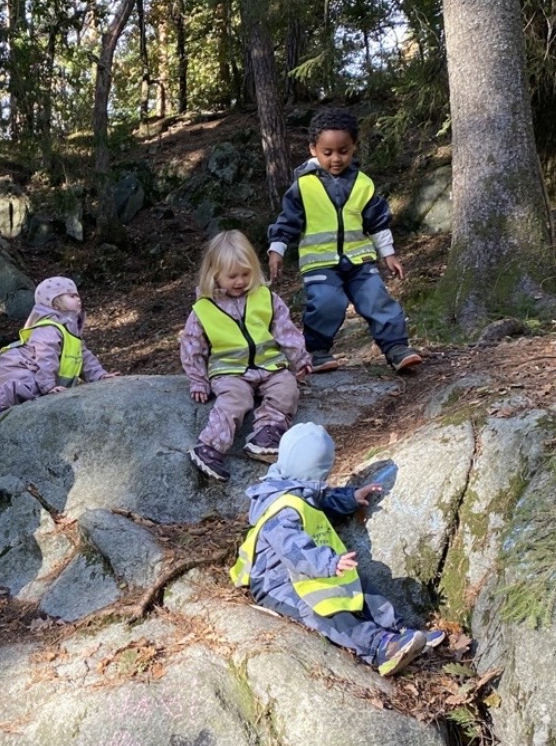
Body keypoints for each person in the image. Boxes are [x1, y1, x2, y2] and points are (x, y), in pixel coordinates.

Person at [231, 423, 444, 676]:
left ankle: (403, 633)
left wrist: (352, 498)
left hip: (311, 572)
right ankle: (380, 647)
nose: (324, 480)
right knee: (322, 611)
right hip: (275, 583)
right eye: (322, 473)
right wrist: (329, 563)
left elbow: (323, 499)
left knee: (360, 584)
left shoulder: (295, 486)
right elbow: (292, 549)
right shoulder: (282, 506)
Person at [267, 107, 422, 374]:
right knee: (327, 303)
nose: (336, 158)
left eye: (344, 151)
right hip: (320, 264)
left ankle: (396, 348)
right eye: (328, 152)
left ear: (354, 148)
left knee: (377, 299)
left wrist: (389, 253)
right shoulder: (302, 186)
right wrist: (276, 249)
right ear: (313, 149)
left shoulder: (363, 184)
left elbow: (377, 221)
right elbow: (287, 221)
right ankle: (315, 352)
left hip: (360, 261)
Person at [180, 230, 311, 483]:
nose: (239, 281)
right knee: (234, 401)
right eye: (232, 276)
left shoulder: (266, 298)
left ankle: (266, 434)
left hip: (270, 365)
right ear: (214, 274)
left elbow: (286, 330)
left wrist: (300, 359)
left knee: (287, 389)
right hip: (230, 371)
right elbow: (192, 345)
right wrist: (198, 379)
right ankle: (209, 447)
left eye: (245, 274)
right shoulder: (204, 309)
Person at [0, 276, 116, 430]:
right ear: (55, 303)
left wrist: (100, 376)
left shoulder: (71, 332)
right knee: (31, 386)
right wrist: (48, 385)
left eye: (77, 295)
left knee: (18, 403)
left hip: (33, 369)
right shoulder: (50, 327)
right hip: (17, 364)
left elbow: (84, 358)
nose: (78, 299)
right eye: (71, 296)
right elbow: (46, 356)